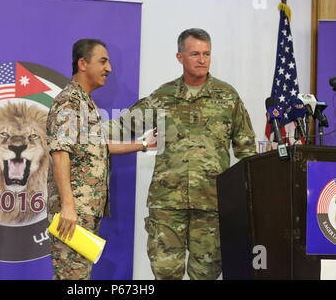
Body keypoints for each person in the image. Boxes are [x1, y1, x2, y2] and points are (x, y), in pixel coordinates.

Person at [111, 28, 256, 280]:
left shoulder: (228, 97)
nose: (202, 59)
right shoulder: (163, 97)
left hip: (211, 204)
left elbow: (246, 151)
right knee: (165, 274)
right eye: (195, 54)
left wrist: (247, 200)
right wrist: (84, 130)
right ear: (180, 57)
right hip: (167, 205)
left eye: (207, 53)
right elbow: (123, 126)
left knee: (206, 276)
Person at [46, 38, 156, 280]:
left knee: (80, 278)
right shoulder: (70, 101)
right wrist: (67, 205)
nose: (109, 69)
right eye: (103, 61)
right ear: (83, 63)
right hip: (73, 212)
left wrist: (144, 144)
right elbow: (60, 152)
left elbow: (98, 146)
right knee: (71, 279)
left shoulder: (86, 104)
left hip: (84, 211)